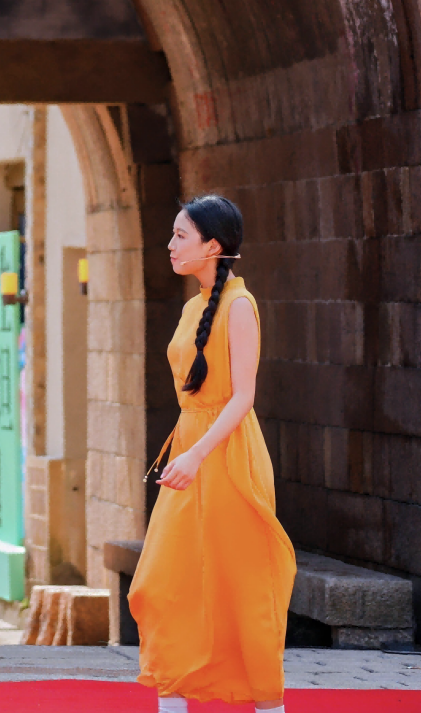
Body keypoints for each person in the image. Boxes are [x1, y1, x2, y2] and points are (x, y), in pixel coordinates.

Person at [128, 195, 295, 713]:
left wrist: (197, 455)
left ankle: (267, 702)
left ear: (213, 246)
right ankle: (174, 697)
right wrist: (188, 452)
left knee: (241, 584)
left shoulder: (240, 306)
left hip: (227, 456)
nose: (171, 245)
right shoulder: (192, 308)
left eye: (181, 235)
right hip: (190, 450)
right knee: (163, 581)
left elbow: (243, 398)